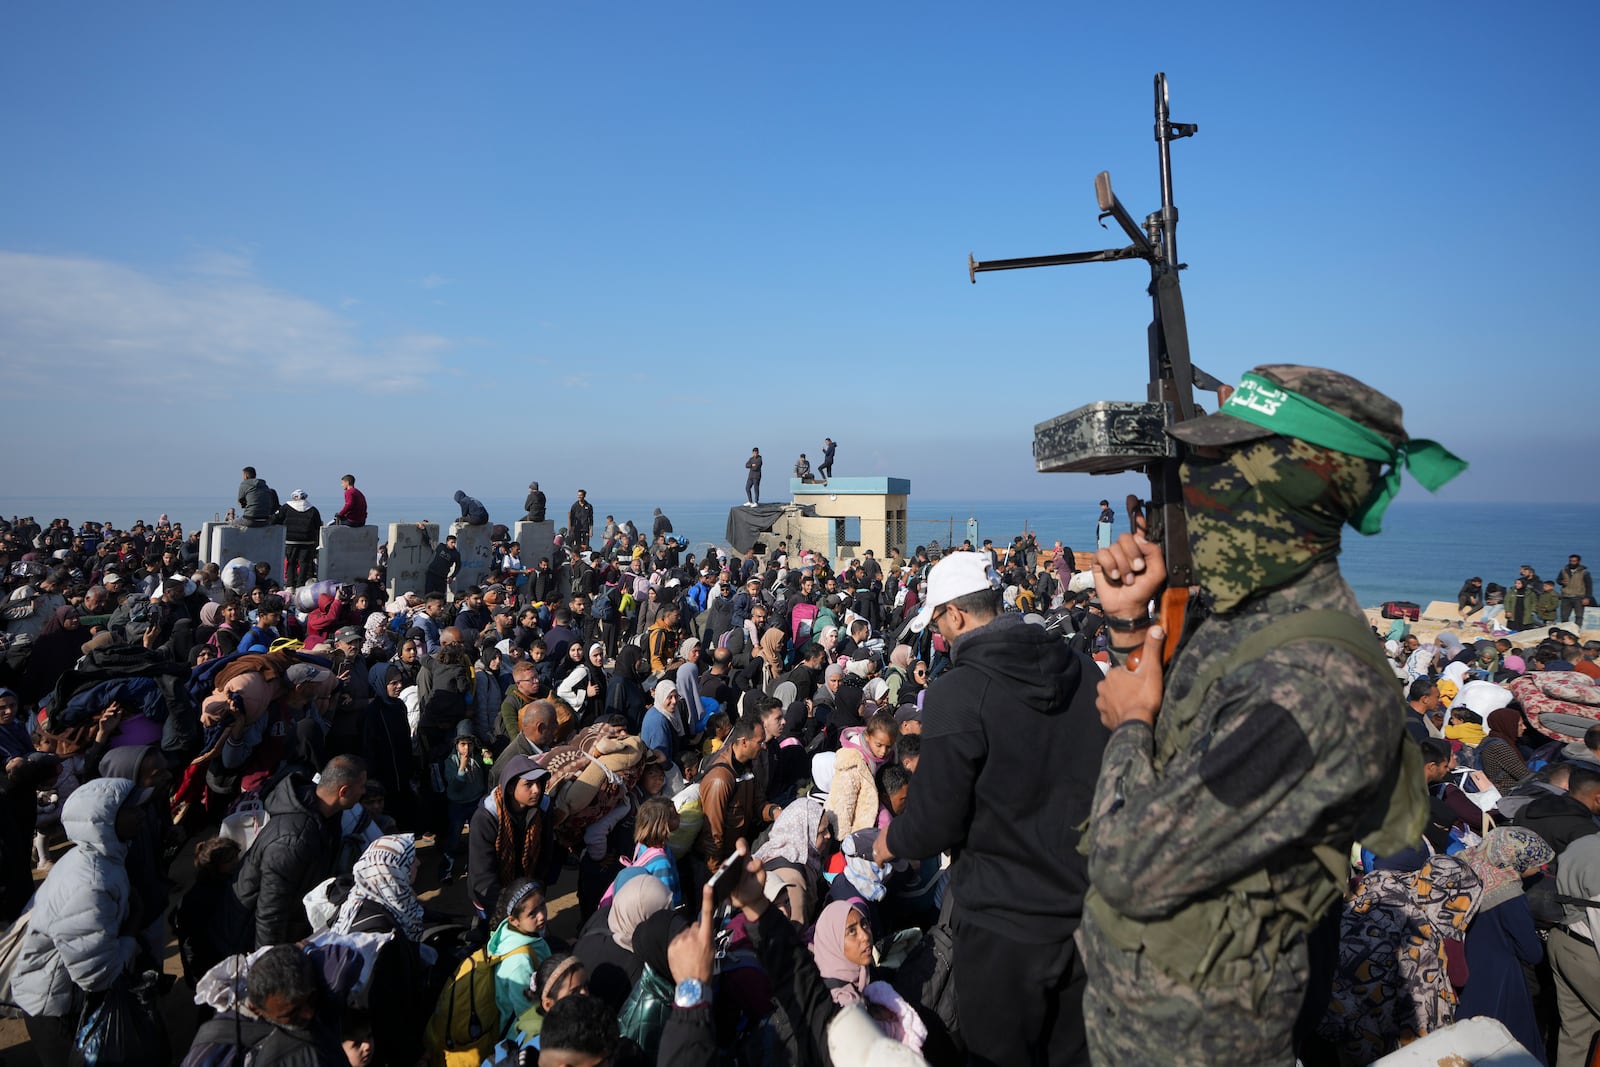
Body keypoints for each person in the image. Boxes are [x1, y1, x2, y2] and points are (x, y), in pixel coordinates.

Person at [1077, 364, 1460, 1065]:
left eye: (1225, 465)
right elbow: (1182, 749)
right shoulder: (1248, 619)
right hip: (1143, 1019)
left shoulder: (1311, 683)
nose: (1197, 486)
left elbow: (1130, 863)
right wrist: (1135, 623)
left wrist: (1129, 723)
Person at [872, 549, 1107, 1067]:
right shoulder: (1080, 667)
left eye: (938, 624)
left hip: (1004, 921)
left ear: (955, 615)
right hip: (1088, 908)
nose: (941, 638)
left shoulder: (958, 692)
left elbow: (935, 820)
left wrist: (889, 842)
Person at [13, 778, 147, 1062]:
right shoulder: (92, 883)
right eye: (131, 809)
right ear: (102, 820)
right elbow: (96, 975)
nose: (141, 813)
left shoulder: (95, 856)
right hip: (58, 1010)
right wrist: (133, 925)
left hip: (62, 997)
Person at [1317, 854, 1483, 1061]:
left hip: (1321, 1008)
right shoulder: (1421, 937)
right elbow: (1424, 1011)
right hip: (1364, 1031)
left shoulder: (1376, 888)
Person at [229, 755, 368, 949]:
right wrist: (272, 961)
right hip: (251, 938)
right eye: (361, 786)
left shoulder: (326, 815)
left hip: (294, 927)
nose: (364, 792)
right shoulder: (293, 839)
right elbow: (270, 911)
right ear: (343, 791)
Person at [1455, 827, 1553, 1062]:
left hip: (1462, 971)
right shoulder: (1508, 892)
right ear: (1515, 857)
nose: (1541, 869)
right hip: (1500, 978)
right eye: (1536, 862)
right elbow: (1532, 952)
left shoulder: (1462, 870)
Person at [468, 754, 550, 925]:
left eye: (539, 783)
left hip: (527, 897)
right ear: (511, 788)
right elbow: (482, 874)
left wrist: (535, 892)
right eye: (528, 784)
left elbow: (547, 854)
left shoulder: (543, 810)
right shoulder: (486, 817)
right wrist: (502, 914)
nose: (537, 790)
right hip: (490, 897)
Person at [279, 490, 323, 587]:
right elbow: (318, 525)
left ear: (294, 497)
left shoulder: (286, 507)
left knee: (291, 563)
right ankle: (300, 585)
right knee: (304, 564)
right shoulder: (313, 509)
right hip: (307, 541)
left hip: (290, 540)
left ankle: (290, 585)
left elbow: (277, 519)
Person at [420, 527, 460, 598]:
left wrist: (452, 576)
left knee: (440, 596)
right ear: (447, 542)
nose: (453, 544)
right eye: (452, 542)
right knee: (428, 594)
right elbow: (428, 541)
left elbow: (458, 566)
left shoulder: (455, 554)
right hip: (432, 573)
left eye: (454, 542)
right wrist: (423, 529)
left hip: (442, 577)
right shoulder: (440, 546)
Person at [1559, 554, 1593, 629]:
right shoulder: (1564, 570)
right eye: (1570, 561)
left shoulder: (1584, 572)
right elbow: (1558, 580)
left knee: (1579, 616)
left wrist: (1587, 597)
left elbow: (1589, 586)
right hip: (1566, 596)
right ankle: (1565, 631)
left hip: (1579, 596)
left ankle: (1577, 630)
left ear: (1579, 561)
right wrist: (1561, 582)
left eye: (1574, 561)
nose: (1572, 563)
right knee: (1564, 616)